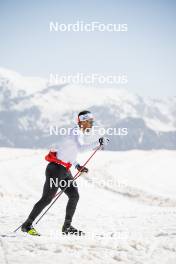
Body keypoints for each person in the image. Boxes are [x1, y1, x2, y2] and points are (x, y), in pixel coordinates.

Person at [21, 110, 109, 236]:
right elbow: (80, 148)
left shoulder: (77, 133)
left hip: (64, 170)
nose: (91, 124)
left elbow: (68, 153)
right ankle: (27, 225)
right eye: (90, 122)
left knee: (74, 195)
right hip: (56, 170)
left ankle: (67, 227)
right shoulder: (76, 132)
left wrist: (77, 165)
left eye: (92, 122)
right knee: (47, 199)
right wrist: (98, 143)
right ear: (82, 121)